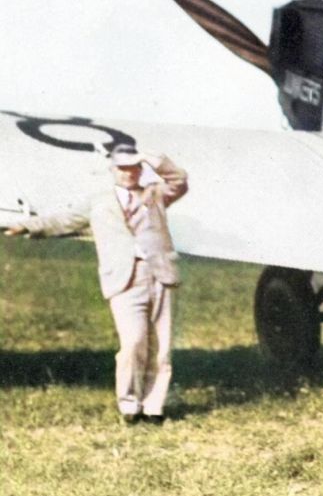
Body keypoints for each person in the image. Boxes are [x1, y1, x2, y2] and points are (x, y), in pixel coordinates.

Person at [5, 143, 188, 425]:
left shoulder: (155, 194)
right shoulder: (98, 201)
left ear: (140, 169)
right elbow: (63, 220)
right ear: (112, 170)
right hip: (124, 278)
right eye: (122, 168)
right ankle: (130, 405)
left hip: (159, 274)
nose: (128, 174)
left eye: (133, 168)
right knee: (133, 341)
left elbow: (179, 179)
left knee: (160, 347)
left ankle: (153, 407)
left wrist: (150, 158)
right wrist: (28, 226)